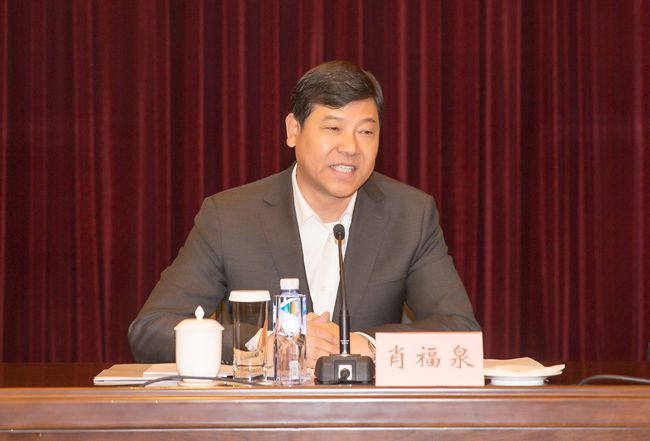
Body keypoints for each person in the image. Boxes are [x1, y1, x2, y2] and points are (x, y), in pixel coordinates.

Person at [128, 60, 480, 366]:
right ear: (293, 131)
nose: (350, 147)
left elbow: (460, 331)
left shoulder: (410, 215)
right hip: (263, 416)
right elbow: (151, 330)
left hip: (369, 415)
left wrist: (364, 344)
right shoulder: (230, 217)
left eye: (366, 132)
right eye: (333, 128)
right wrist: (262, 344)